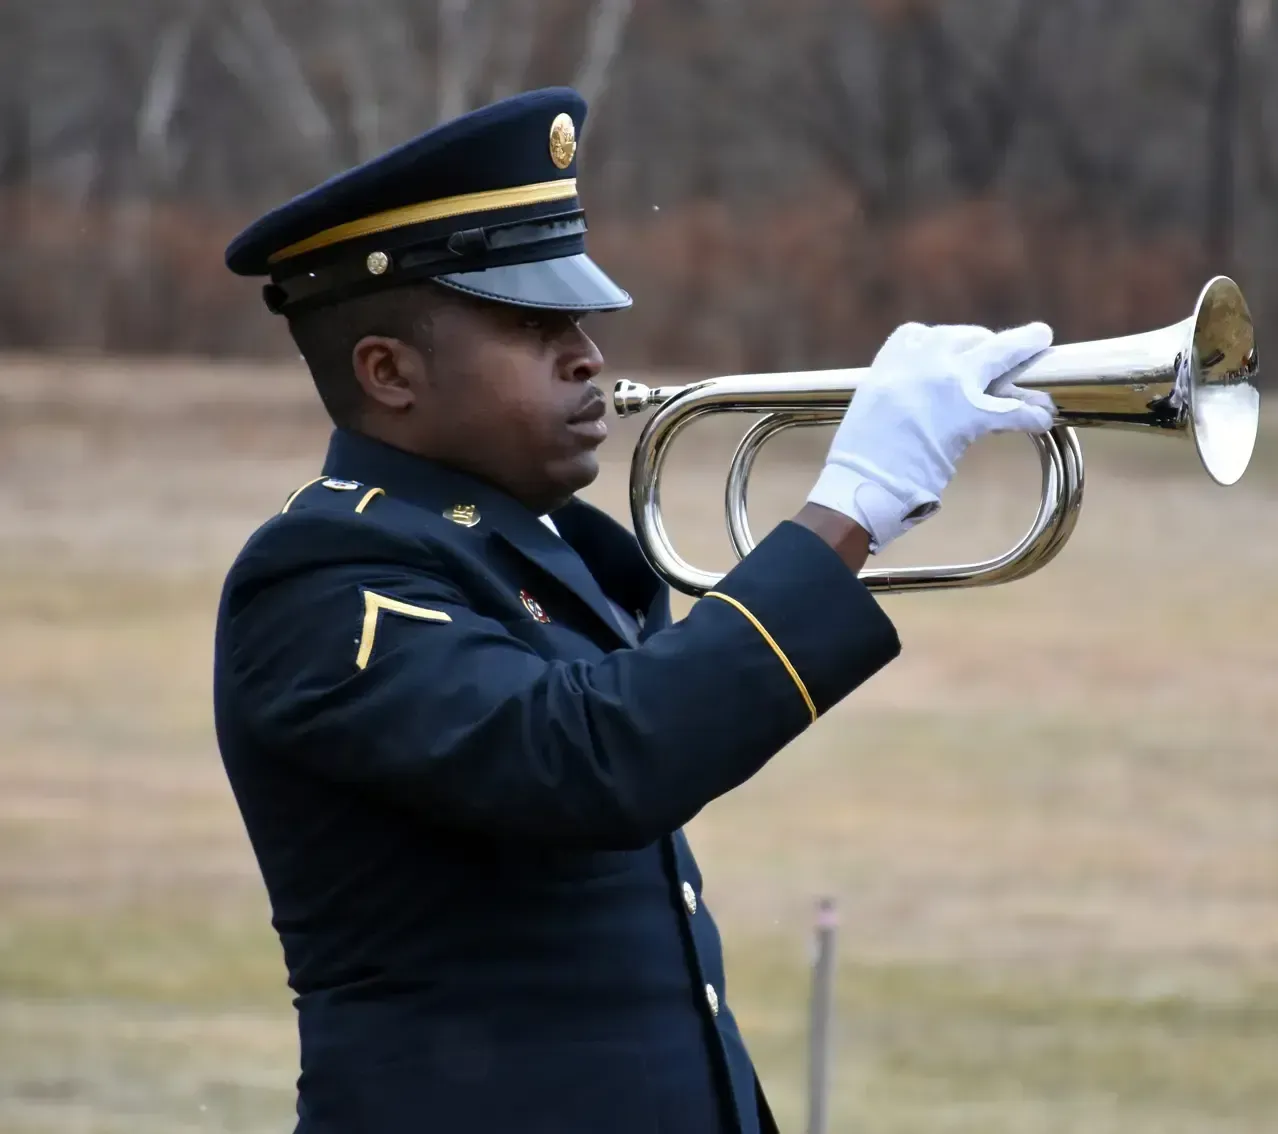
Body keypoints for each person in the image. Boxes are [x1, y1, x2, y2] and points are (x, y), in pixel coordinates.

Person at [213, 87, 1056, 1134]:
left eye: (580, 321)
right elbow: (594, 758)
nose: (588, 356)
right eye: (533, 327)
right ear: (390, 374)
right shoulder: (322, 577)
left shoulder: (554, 552)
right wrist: (851, 510)